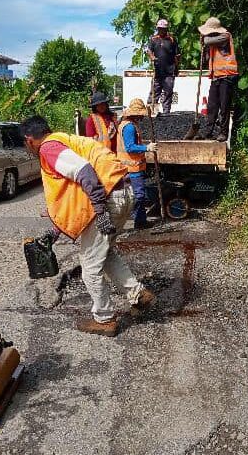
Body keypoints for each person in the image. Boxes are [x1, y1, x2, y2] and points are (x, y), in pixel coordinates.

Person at [19, 115, 156, 337]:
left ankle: (105, 319)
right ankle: (137, 294)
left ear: (29, 139)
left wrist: (101, 211)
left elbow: (84, 171)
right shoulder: (65, 140)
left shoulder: (48, 148)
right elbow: (74, 197)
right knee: (105, 252)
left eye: (26, 145)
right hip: (122, 191)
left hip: (109, 198)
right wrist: (56, 231)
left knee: (90, 266)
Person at [117, 99, 158, 229]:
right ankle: (139, 222)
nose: (142, 116)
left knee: (134, 195)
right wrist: (147, 148)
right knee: (138, 196)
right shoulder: (129, 127)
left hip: (130, 166)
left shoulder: (129, 124)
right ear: (135, 113)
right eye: (141, 114)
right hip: (132, 167)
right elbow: (130, 147)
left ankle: (139, 220)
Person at [195, 17, 238, 142]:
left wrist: (203, 40)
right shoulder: (213, 42)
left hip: (227, 76)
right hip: (216, 77)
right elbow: (208, 57)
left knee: (224, 106)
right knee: (212, 106)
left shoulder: (225, 36)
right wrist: (204, 50)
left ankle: (223, 133)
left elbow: (207, 41)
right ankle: (208, 132)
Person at [147, 19, 181, 114]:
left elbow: (177, 55)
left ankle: (166, 113)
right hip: (158, 72)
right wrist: (152, 57)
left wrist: (177, 68)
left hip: (169, 72)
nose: (161, 30)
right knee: (154, 93)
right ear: (157, 28)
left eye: (163, 29)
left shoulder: (172, 39)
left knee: (168, 93)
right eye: (160, 28)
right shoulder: (153, 39)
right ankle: (151, 113)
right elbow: (149, 50)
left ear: (166, 29)